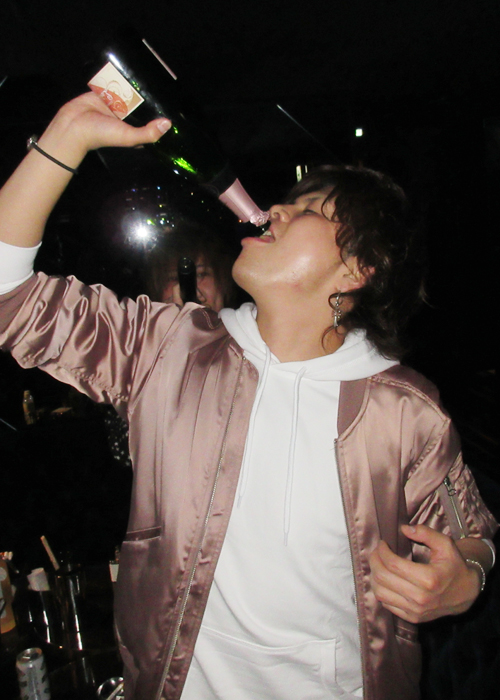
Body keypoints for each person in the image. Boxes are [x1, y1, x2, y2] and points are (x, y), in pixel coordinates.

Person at [0, 93, 497, 700]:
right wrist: (65, 139)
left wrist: (468, 579)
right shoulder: (168, 348)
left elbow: (470, 533)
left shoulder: (406, 411)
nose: (277, 210)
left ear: (358, 268)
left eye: (310, 209)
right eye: (286, 201)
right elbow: (9, 300)